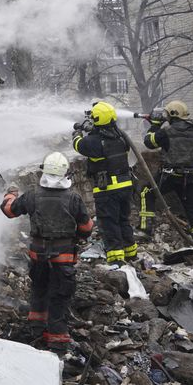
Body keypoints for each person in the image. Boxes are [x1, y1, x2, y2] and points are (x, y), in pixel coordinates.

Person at [0, 152, 93, 352]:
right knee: (59, 296)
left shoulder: (32, 195)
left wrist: (11, 194)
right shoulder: (74, 198)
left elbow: (9, 211)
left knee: (39, 289)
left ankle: (36, 329)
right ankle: (57, 342)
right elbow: (86, 229)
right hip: (63, 258)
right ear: (65, 174)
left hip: (38, 255)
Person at [72, 101, 137, 265]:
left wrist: (78, 131)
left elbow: (78, 145)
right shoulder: (120, 137)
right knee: (123, 220)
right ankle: (131, 253)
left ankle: (116, 260)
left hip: (108, 189)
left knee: (109, 223)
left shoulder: (94, 142)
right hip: (125, 185)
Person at [140, 100, 193, 245]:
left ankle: (145, 230)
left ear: (172, 114)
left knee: (147, 192)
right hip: (191, 176)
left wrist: (155, 124)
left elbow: (149, 142)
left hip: (171, 175)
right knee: (192, 207)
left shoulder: (166, 132)